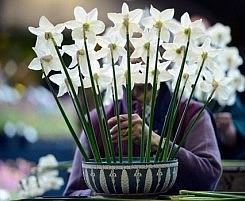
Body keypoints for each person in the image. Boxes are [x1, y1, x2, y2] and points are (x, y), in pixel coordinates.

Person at [63, 82, 222, 196]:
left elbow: (208, 177)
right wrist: (100, 194)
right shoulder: (97, 120)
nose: (136, 57)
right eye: (128, 49)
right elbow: (73, 193)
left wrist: (156, 141)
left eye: (146, 46)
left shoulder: (193, 113)